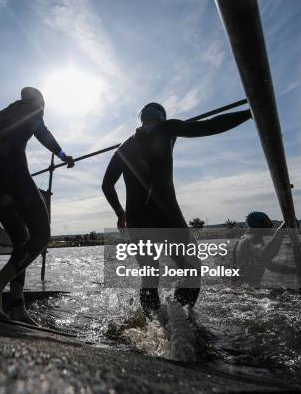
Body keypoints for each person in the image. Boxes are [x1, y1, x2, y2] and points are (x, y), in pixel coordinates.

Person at [102, 102, 252, 315]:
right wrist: (248, 113)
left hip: (136, 219)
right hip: (165, 214)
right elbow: (208, 126)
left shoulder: (123, 149)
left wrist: (120, 213)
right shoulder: (167, 128)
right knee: (192, 269)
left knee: (150, 276)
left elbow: (106, 185)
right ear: (161, 118)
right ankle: (180, 318)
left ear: (142, 118)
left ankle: (152, 324)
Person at [0, 87, 75, 324]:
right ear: (39, 101)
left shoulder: (1, 115)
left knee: (22, 240)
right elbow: (45, 135)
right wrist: (64, 156)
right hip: (15, 177)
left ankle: (18, 306)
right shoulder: (34, 108)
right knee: (41, 236)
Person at [231, 212, 287, 287]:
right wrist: (282, 229)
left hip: (240, 289)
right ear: (260, 224)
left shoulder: (241, 240)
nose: (272, 225)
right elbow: (267, 255)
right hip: (249, 291)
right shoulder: (255, 239)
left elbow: (269, 265)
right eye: (268, 222)